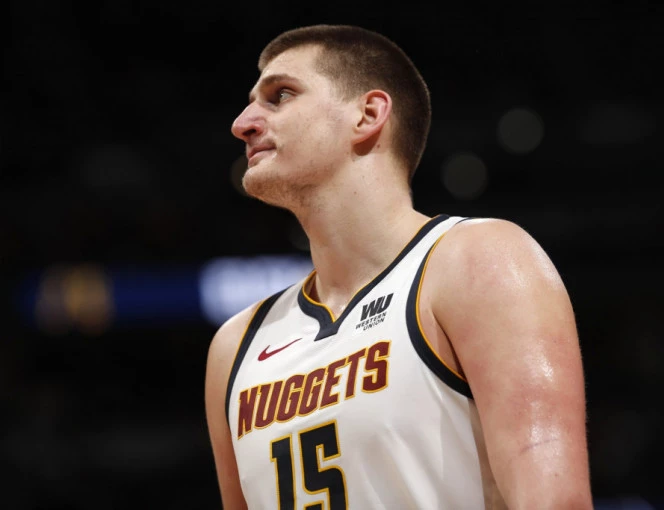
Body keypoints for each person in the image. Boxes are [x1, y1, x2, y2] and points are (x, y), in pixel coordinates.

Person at [205, 24, 593, 509]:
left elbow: (556, 502)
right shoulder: (236, 345)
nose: (242, 123)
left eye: (280, 95)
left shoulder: (476, 260)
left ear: (368, 114)